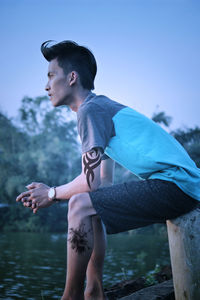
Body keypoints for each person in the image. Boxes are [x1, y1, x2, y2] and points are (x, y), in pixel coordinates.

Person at [16, 40, 200, 300]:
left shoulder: (90, 110)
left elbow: (88, 184)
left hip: (176, 186)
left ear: (71, 78)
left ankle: (71, 296)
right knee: (90, 206)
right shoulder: (99, 107)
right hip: (183, 186)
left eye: (50, 76)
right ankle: (94, 290)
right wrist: (57, 193)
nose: (46, 86)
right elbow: (101, 181)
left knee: (79, 204)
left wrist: (52, 193)